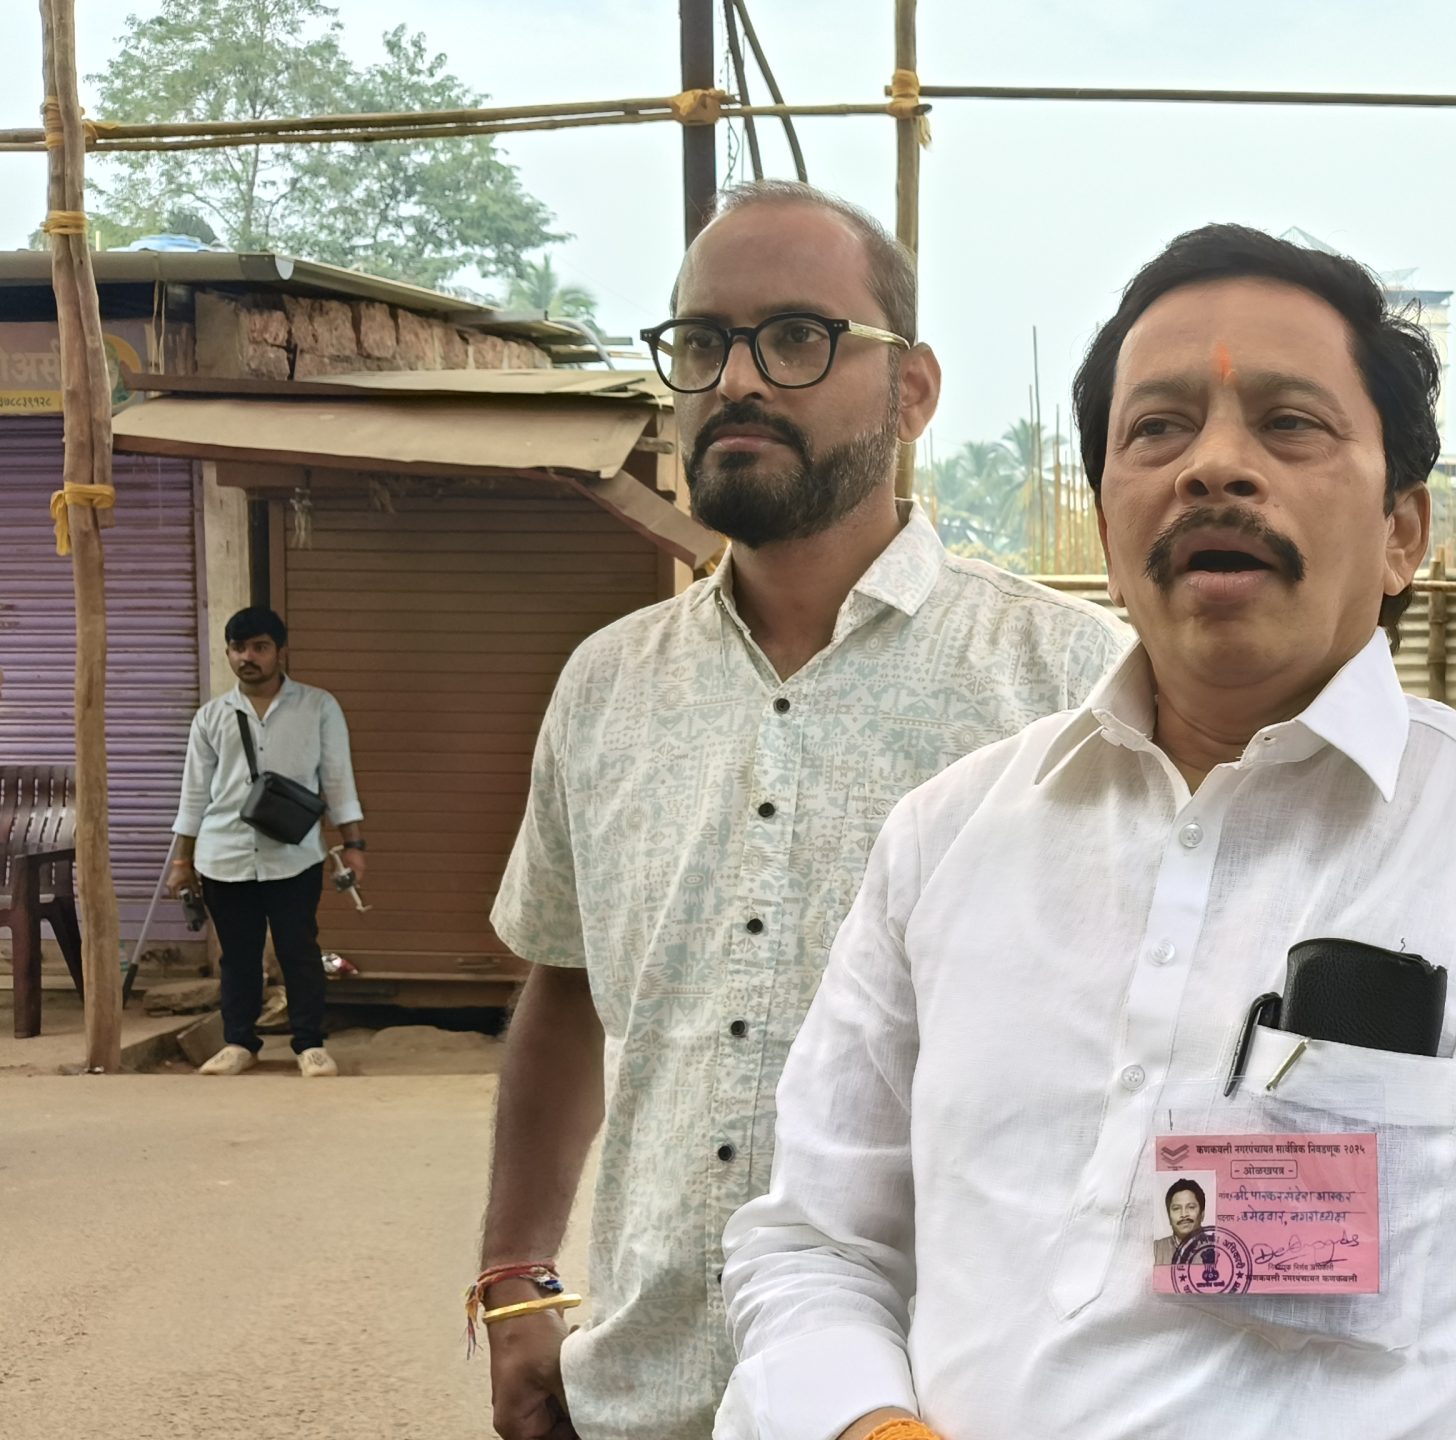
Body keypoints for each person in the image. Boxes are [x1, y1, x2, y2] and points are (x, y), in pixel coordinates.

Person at [719, 224, 1456, 1440]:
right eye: (1157, 428)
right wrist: (867, 1423)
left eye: (1290, 424)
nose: (1213, 467)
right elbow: (814, 1243)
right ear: (1107, 529)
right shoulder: (944, 842)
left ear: (1403, 532)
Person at [476, 180, 1128, 1440]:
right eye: (701, 342)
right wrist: (516, 1278)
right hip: (646, 1392)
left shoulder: (1068, 685)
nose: (734, 381)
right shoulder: (607, 687)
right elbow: (565, 984)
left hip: (945, 1397)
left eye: (795, 338)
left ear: (913, 390)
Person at [169, 605, 365, 1079]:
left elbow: (338, 780)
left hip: (294, 855)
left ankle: (309, 1044)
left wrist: (354, 845)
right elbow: (194, 794)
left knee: (299, 951)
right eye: (239, 648)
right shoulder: (210, 717)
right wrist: (182, 861)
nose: (248, 658)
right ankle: (240, 1043)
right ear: (228, 653)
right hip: (224, 855)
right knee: (237, 956)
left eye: (259, 647)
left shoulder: (318, 707)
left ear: (281, 651)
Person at [1152, 1178, 1207, 1266]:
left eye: (1191, 1207)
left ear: (1202, 1214)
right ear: (1169, 1217)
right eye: (1176, 1208)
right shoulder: (1155, 1250)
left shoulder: (1217, 1249)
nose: (1184, 1214)